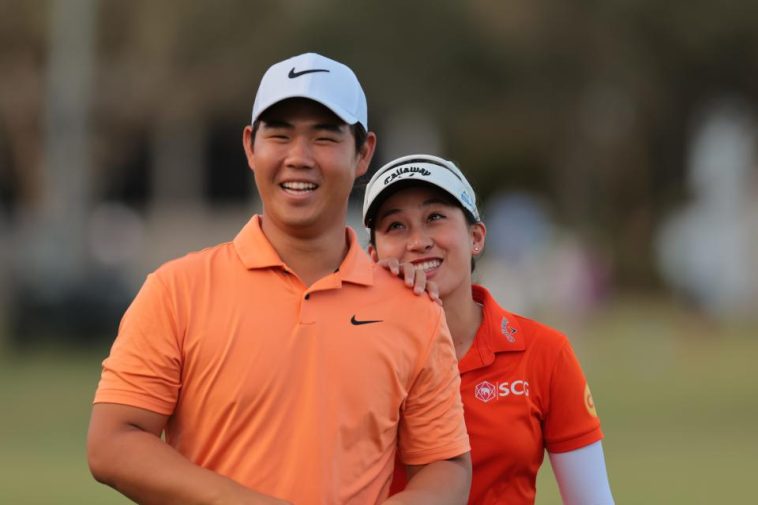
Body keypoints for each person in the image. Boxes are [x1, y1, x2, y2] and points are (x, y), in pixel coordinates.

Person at [87, 54, 472, 505]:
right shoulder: (176, 290)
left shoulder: (413, 307)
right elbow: (113, 442)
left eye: (324, 137)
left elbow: (444, 464)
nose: (299, 158)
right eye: (280, 135)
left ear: (363, 152)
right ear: (251, 146)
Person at [362, 154, 615, 505]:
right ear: (373, 257)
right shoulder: (351, 354)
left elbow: (592, 500)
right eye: (396, 226)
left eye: (435, 218)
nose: (418, 241)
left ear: (476, 237)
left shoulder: (544, 352)